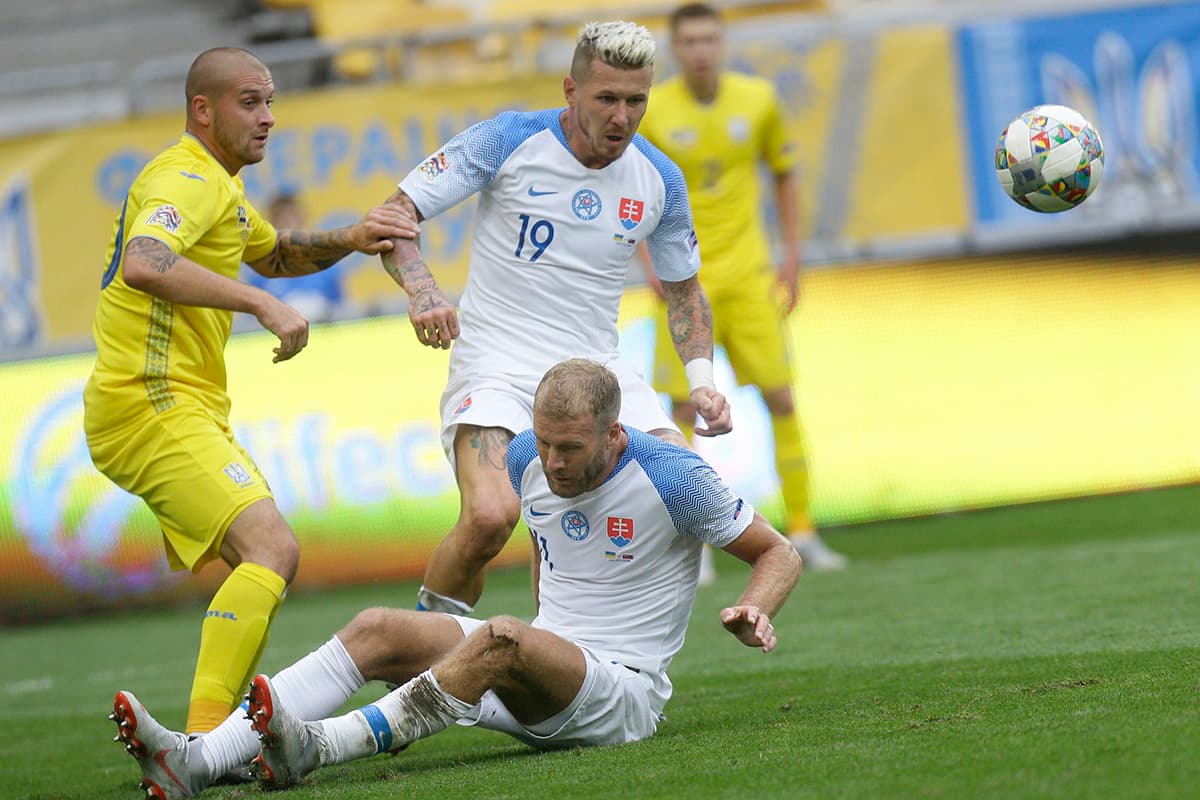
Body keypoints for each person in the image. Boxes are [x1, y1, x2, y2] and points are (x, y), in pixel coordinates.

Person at [109, 358, 802, 797]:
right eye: (547, 442)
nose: (554, 462)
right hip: (538, 667)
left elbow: (779, 552)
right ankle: (196, 760)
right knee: (378, 626)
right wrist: (541, 635)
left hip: (618, 695)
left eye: (573, 448)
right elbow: (549, 546)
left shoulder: (673, 476)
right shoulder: (526, 454)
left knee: (501, 636)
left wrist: (755, 608)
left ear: (614, 436)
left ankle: (315, 746)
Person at [88, 44, 417, 763]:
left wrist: (353, 239)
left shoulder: (222, 187)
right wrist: (262, 304)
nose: (268, 117)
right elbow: (146, 263)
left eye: (270, 102)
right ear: (201, 110)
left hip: (182, 404)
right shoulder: (183, 177)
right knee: (272, 547)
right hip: (146, 400)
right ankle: (206, 742)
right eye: (249, 102)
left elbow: (275, 253)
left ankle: (210, 742)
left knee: (262, 559)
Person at [375, 20, 733, 615]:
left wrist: (703, 383)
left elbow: (685, 292)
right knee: (491, 517)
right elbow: (394, 214)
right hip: (496, 368)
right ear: (571, 91)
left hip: (597, 374)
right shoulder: (510, 139)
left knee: (685, 494)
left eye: (636, 101)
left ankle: (582, 663)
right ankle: (415, 665)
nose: (622, 116)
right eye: (607, 99)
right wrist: (421, 290)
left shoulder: (660, 179)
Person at [638, 2, 846, 573]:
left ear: (720, 44)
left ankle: (803, 530)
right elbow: (629, 188)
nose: (701, 50)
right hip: (684, 283)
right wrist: (645, 263)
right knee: (679, 411)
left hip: (751, 274)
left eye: (710, 39)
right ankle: (692, 545)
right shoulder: (653, 113)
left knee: (780, 396)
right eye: (691, 42)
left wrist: (793, 257)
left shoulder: (756, 100)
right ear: (675, 51)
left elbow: (784, 173)